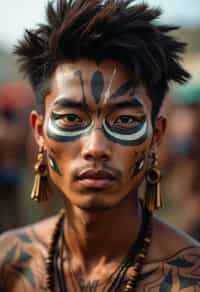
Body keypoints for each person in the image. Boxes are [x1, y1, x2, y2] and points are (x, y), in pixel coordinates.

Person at [0, 0, 199, 291]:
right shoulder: (9, 263)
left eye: (125, 121)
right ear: (39, 132)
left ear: (156, 136)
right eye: (70, 118)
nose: (95, 147)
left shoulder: (189, 280)